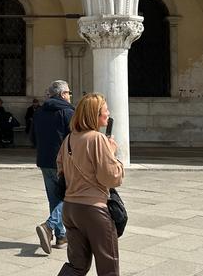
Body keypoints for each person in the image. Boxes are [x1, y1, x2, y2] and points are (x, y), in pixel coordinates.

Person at [56, 93, 124, 276]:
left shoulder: (68, 140)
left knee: (77, 266)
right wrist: (112, 154)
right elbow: (111, 178)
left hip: (70, 209)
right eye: (105, 110)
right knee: (108, 267)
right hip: (93, 210)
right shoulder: (98, 139)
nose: (108, 113)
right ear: (95, 114)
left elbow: (60, 172)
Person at [33, 81, 74, 254]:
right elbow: (74, 138)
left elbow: (32, 137)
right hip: (62, 162)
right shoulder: (68, 111)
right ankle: (49, 225)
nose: (70, 96)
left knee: (54, 198)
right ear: (63, 94)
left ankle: (61, 236)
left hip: (44, 160)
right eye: (69, 92)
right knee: (68, 195)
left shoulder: (39, 112)